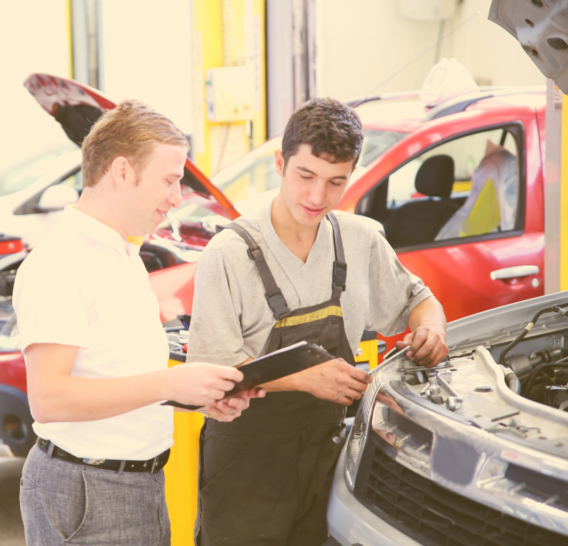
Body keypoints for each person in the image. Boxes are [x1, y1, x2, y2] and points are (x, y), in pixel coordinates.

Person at [188, 98, 449, 546]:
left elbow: (420, 302)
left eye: (335, 182)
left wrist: (432, 329)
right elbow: (210, 375)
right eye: (305, 176)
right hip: (247, 467)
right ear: (280, 162)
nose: (317, 197)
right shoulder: (228, 254)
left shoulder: (361, 239)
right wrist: (307, 378)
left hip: (329, 459)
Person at [12, 99, 264, 546]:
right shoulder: (60, 262)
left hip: (135, 484)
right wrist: (169, 385)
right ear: (123, 172)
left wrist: (196, 395)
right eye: (169, 180)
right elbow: (49, 398)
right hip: (88, 491)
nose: (178, 197)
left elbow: (119, 375)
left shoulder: (123, 252)